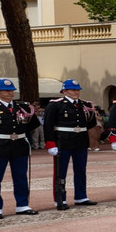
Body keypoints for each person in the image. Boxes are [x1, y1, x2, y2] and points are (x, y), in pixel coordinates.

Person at [0, 78, 41, 220]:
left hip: (19, 145)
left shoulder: (22, 107)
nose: (10, 93)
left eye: (11, 90)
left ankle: (22, 204)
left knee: (20, 177)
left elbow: (32, 124)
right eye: (6, 90)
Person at [43, 79, 99, 210]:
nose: (76, 92)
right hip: (63, 141)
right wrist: (50, 144)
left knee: (80, 170)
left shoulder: (85, 104)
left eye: (78, 89)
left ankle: (81, 196)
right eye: (73, 90)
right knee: (60, 172)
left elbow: (91, 123)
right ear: (65, 91)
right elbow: (48, 125)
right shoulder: (55, 105)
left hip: (80, 140)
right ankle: (59, 199)